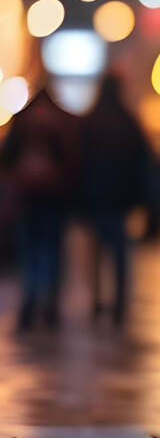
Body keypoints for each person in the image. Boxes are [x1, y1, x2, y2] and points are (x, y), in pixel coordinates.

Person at [1, 87, 80, 329]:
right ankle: (49, 305)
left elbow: (7, 156)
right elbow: (71, 161)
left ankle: (30, 302)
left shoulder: (22, 120)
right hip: (54, 198)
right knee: (51, 251)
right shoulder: (60, 122)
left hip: (28, 197)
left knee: (30, 250)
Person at [80, 74, 150, 324]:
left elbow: (80, 161)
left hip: (96, 196)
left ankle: (97, 300)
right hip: (120, 198)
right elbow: (142, 160)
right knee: (120, 252)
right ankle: (120, 301)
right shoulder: (127, 121)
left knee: (96, 252)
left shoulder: (90, 121)